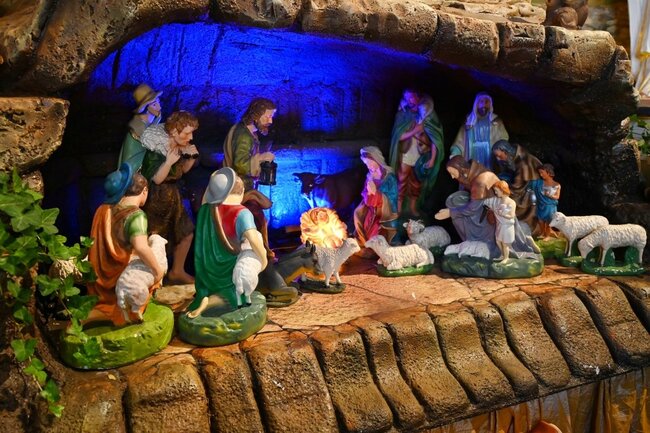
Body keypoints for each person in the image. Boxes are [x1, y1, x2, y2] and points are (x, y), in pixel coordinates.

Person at [86, 165, 164, 326]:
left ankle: (105, 309)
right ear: (144, 191)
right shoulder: (136, 216)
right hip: (122, 271)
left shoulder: (102, 209)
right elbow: (141, 247)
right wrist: (158, 271)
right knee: (154, 269)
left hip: (100, 274)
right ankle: (126, 311)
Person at [188, 167, 267, 317]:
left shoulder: (205, 209)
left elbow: (208, 196)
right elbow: (254, 239)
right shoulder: (242, 213)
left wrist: (215, 182)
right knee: (235, 295)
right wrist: (263, 259)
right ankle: (210, 303)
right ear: (242, 191)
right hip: (228, 274)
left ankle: (205, 297)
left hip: (205, 274)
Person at [435, 156, 539, 259]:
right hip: (491, 209)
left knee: (459, 217)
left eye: (453, 173)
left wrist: (451, 212)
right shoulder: (475, 169)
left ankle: (481, 243)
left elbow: (472, 209)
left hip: (492, 217)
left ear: (461, 169)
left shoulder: (479, 182)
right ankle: (521, 242)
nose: (452, 177)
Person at [140, 111, 199, 284]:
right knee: (156, 238)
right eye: (187, 133)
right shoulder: (156, 151)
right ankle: (152, 275)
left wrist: (191, 157)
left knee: (186, 232)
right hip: (156, 200)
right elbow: (157, 179)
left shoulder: (179, 148)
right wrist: (168, 162)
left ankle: (177, 270)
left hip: (173, 198)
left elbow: (182, 171)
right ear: (174, 132)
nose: (191, 137)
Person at [223, 98, 277, 258]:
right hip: (239, 188)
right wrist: (261, 158)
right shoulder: (244, 136)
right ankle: (261, 254)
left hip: (245, 186)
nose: (270, 121)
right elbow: (240, 165)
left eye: (271, 116)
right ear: (256, 115)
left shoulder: (248, 133)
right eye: (267, 116)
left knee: (259, 219)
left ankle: (260, 252)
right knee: (258, 219)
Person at [389, 89, 445, 216]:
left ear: (418, 97)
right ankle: (398, 207)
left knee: (417, 181)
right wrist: (415, 131)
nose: (409, 101)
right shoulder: (403, 115)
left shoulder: (428, 115)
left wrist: (432, 159)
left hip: (421, 155)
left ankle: (413, 207)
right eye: (407, 98)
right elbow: (398, 136)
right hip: (406, 153)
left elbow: (435, 139)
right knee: (401, 179)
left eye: (412, 97)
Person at [354, 146, 399, 248]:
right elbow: (365, 192)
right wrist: (369, 194)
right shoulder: (369, 176)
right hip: (371, 207)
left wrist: (376, 194)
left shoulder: (389, 178)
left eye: (370, 163)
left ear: (376, 159)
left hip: (384, 212)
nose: (368, 166)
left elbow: (392, 197)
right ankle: (363, 240)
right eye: (366, 164)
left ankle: (377, 246)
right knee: (357, 213)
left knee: (374, 235)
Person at [450, 92, 509, 169]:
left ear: (490, 104)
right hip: (472, 154)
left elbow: (503, 139)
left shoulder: (496, 122)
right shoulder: (468, 122)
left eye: (486, 102)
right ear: (476, 104)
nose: (484, 105)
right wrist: (455, 154)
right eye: (481, 101)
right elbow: (459, 142)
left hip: (489, 156)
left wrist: (500, 150)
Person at [492, 140, 541, 229]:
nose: (498, 159)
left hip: (528, 189)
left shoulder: (523, 164)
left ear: (506, 152)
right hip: (521, 183)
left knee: (508, 201)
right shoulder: (512, 157)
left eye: (499, 156)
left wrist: (503, 190)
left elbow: (517, 187)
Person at [118, 84, 163, 172]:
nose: (159, 107)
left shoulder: (150, 122)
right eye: (154, 104)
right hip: (133, 166)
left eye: (158, 102)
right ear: (146, 107)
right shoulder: (138, 126)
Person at [484, 180, 517, 262]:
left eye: (496, 191)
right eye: (495, 191)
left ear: (502, 190)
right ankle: (503, 255)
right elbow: (495, 208)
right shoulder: (499, 200)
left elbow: (511, 216)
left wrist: (502, 214)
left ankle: (506, 258)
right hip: (500, 225)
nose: (495, 193)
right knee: (498, 241)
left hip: (506, 226)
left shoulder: (511, 202)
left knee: (504, 243)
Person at [528, 164, 561, 239]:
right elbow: (529, 186)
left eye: (542, 172)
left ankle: (547, 235)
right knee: (540, 221)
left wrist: (549, 195)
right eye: (539, 173)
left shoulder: (557, 185)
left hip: (550, 207)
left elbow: (557, 197)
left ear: (548, 172)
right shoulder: (538, 183)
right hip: (541, 205)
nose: (540, 175)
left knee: (549, 222)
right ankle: (543, 233)